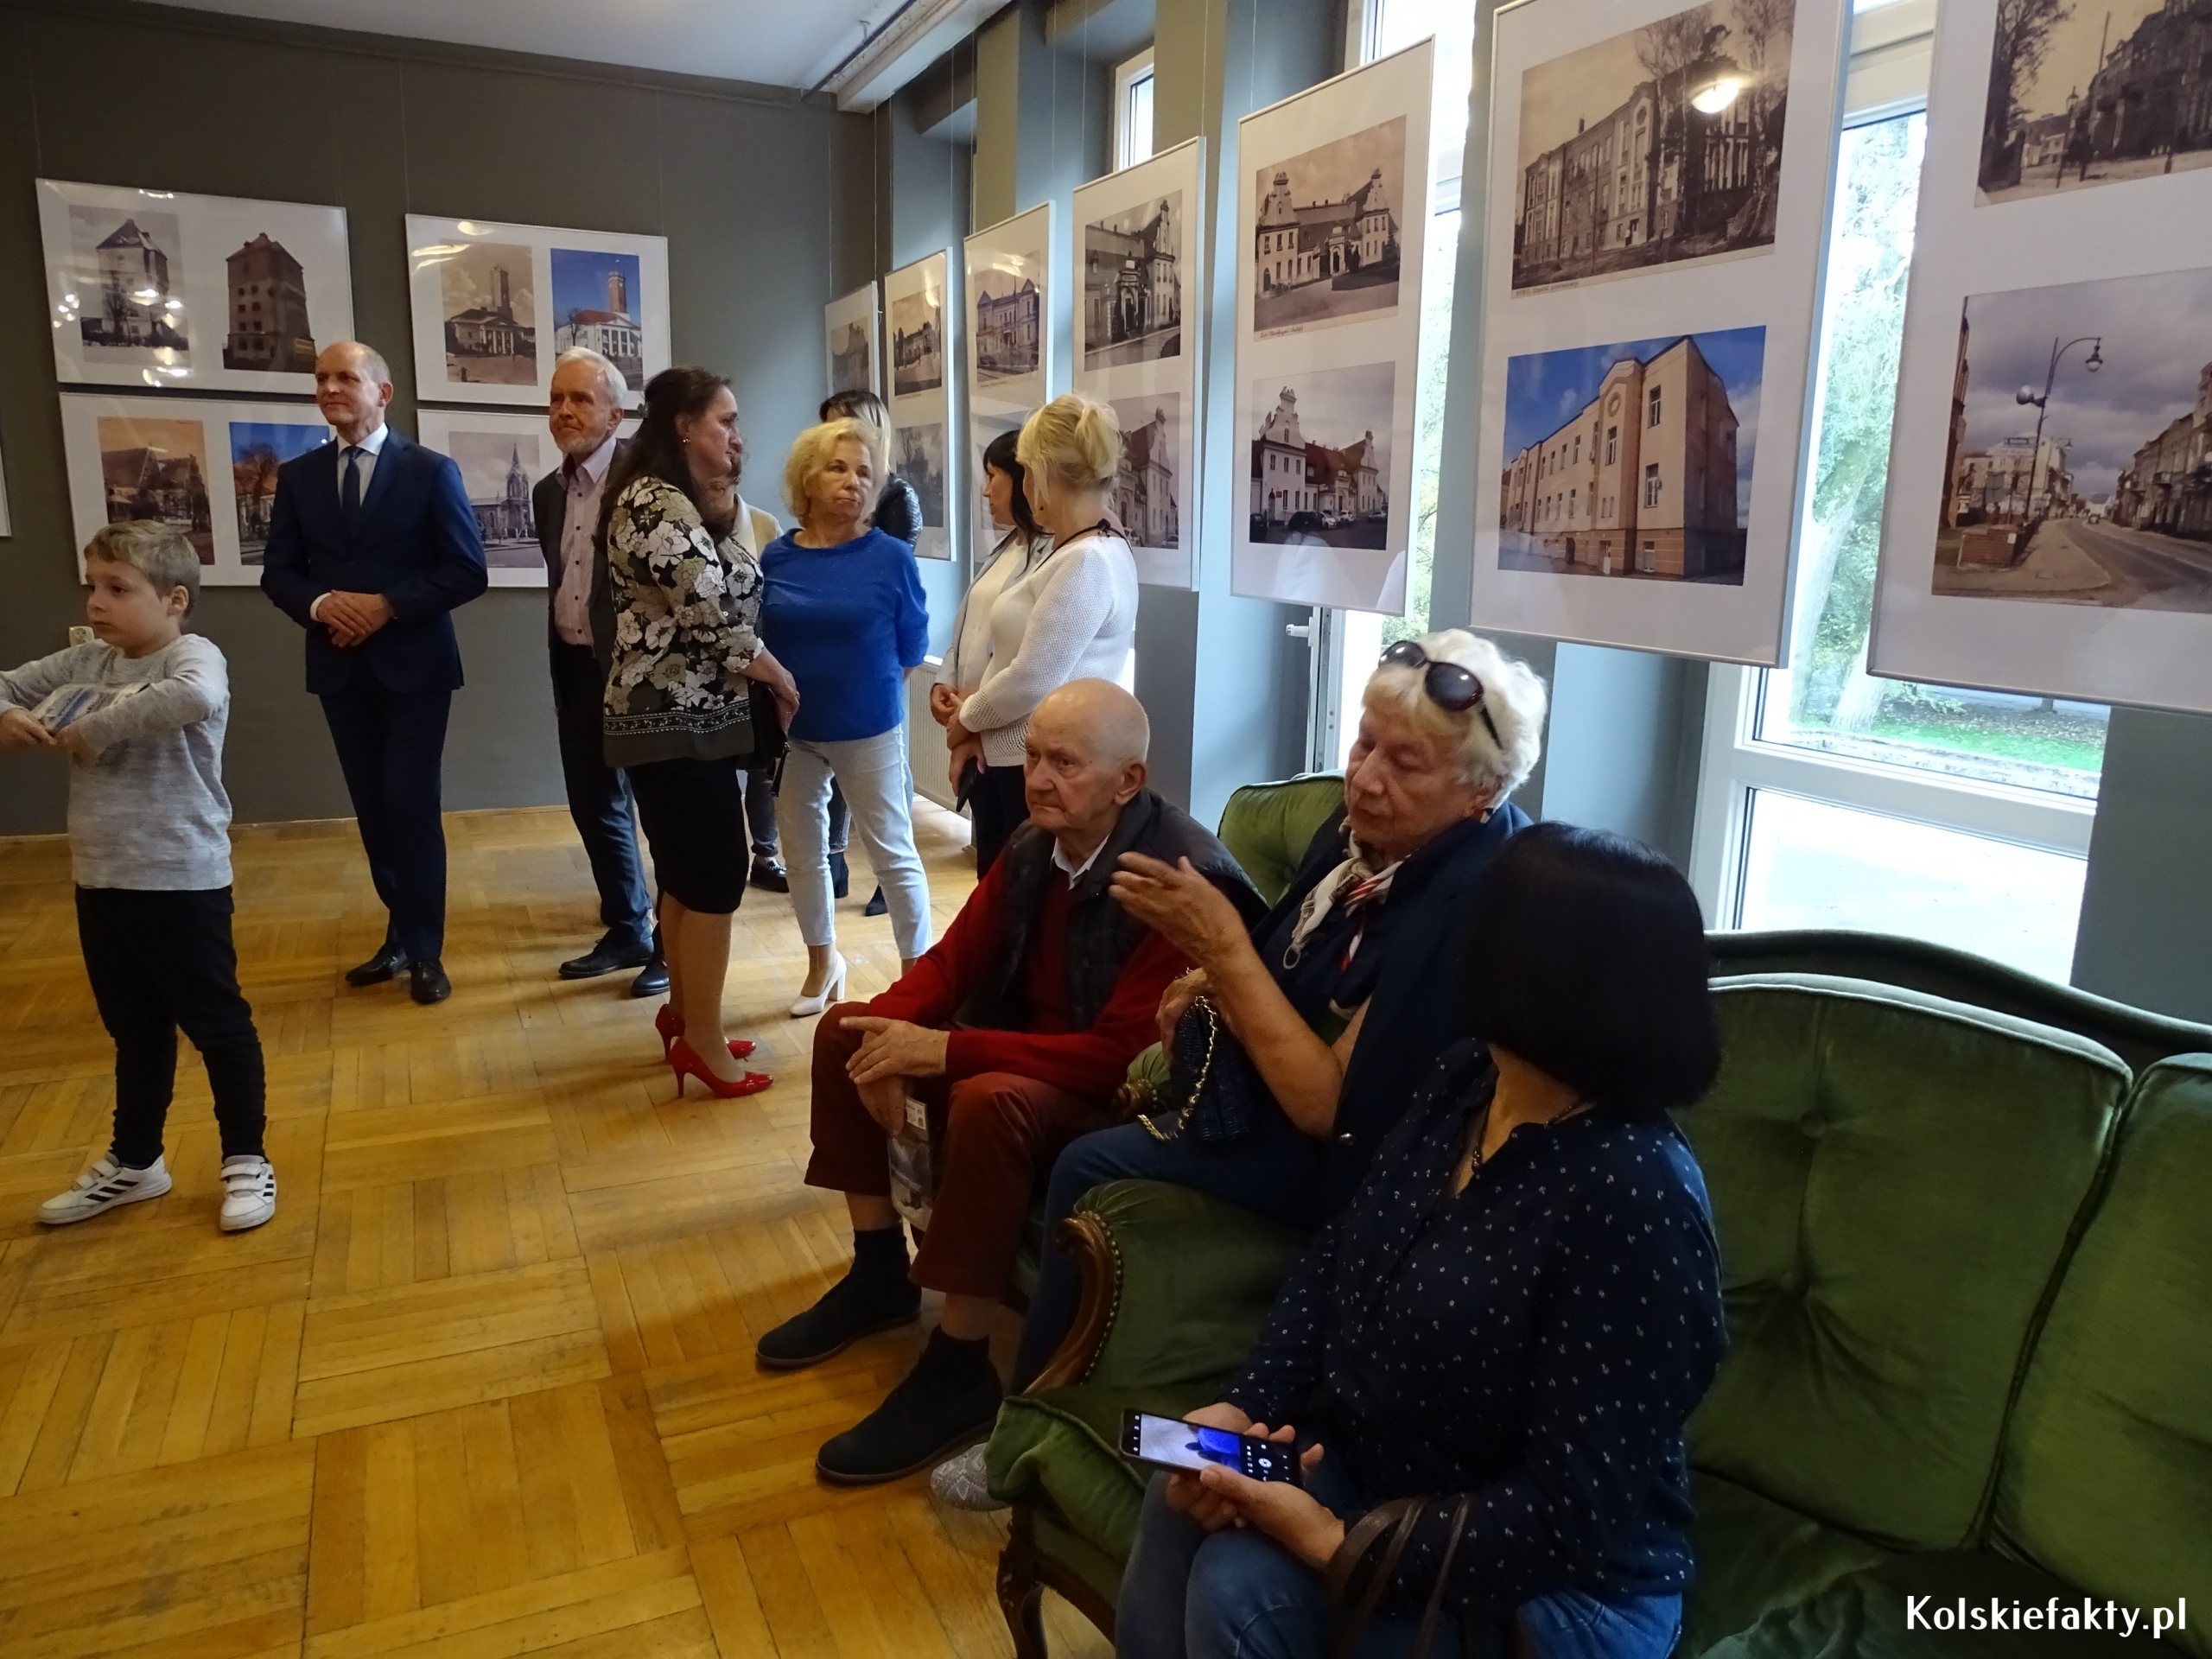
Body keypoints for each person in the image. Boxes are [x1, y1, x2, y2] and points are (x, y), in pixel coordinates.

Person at [1115, 822, 1729, 1659]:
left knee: (1241, 1586)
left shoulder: (1634, 1193)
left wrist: (1337, 1545)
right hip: (1392, 1475)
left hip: (1562, 1583)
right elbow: (1339, 1256)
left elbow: (1569, 1512)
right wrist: (1248, 1408)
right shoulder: (1468, 1078)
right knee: (1185, 1491)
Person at [992, 632, 1550, 1407]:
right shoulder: (1358, 843)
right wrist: (1204, 978)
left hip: (1366, 1171)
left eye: (1406, 763)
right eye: (1365, 744)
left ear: (1480, 792)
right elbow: (1274, 958)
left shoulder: (1474, 900)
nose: (1366, 779)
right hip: (1257, 1099)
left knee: (1086, 1164)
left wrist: (1219, 950)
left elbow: (1329, 1109)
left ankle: (1032, 1411)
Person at [753, 680, 1266, 1486]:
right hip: (1035, 1056)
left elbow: (1118, 1059)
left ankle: (960, 1365)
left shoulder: (1176, 881)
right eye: (1032, 757)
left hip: (1122, 1101)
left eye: (1065, 763)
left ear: (1128, 781)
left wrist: (943, 1054)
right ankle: (879, 1272)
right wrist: (886, 1036)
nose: (1038, 779)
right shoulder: (1037, 844)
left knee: (988, 1096)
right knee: (844, 1029)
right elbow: (954, 962)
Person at [7, 523, 276, 1233]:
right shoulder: (85, 660)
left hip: (180, 878)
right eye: (92, 586)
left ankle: (246, 1159)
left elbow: (193, 698)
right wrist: (7, 712)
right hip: (101, 876)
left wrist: (90, 729)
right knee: (135, 1029)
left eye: (118, 589)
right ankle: (136, 1162)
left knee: (218, 1026)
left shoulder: (193, 654)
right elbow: (3, 685)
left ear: (174, 599)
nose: (97, 602)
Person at [260, 340, 488, 1006]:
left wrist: (386, 606)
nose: (330, 388)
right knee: (373, 809)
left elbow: (466, 570)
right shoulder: (299, 477)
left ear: (382, 392)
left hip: (417, 668)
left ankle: (425, 951)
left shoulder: (430, 471)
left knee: (410, 804)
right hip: (339, 665)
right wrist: (323, 606)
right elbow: (279, 572)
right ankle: (399, 933)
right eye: (321, 379)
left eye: (345, 377)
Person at [601, 366, 798, 1098]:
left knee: (687, 875)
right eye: (726, 421)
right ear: (684, 427)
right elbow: (710, 615)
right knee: (715, 878)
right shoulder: (655, 502)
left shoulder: (675, 500)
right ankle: (706, 1045)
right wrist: (778, 676)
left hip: (687, 725)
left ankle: (687, 1020)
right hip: (672, 724)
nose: (737, 436)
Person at [762, 419, 932, 1015]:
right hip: (794, 734)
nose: (853, 482)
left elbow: (912, 647)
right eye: (838, 467)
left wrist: (864, 691)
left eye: (864, 472)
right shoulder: (776, 556)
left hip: (869, 730)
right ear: (807, 478)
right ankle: (822, 965)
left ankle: (918, 987)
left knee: (893, 854)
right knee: (802, 853)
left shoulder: (890, 556)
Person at [942, 396, 1139, 847]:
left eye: (1027, 471)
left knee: (1019, 885)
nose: (1025, 486)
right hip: (1017, 758)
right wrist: (975, 729)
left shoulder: (1087, 559)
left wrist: (966, 719)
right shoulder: (1079, 548)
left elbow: (1032, 677)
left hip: (1038, 766)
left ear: (1045, 473)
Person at [533, 346, 669, 998]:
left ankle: (672, 944)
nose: (564, 410)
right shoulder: (546, 493)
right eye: (557, 399)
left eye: (580, 399)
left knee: (660, 812)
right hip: (575, 668)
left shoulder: (650, 482)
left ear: (616, 415)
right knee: (594, 804)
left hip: (642, 674)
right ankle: (627, 927)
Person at [820, 388, 921, 917]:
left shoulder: (897, 497)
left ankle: (891, 872)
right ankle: (834, 859)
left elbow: (893, 584)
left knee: (887, 765)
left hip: (876, 651)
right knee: (832, 762)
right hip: (835, 647)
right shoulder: (824, 492)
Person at [931, 427, 1046, 874]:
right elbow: (969, 627)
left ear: (1023, 479)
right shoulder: (1006, 546)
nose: (985, 491)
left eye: (993, 476)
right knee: (990, 870)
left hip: (1012, 740)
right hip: (977, 729)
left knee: (1012, 870)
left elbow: (1025, 659)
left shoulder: (1054, 554)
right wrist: (944, 681)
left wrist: (970, 721)